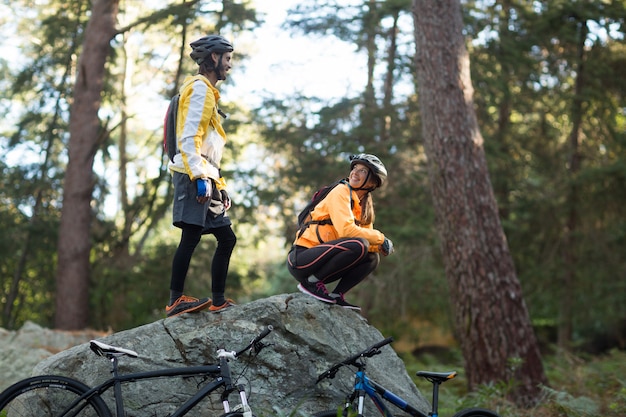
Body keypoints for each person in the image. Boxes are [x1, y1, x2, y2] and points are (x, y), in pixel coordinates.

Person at [165, 35, 237, 317]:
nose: (229, 66)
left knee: (227, 238)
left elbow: (209, 149)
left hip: (206, 175)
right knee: (191, 235)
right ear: (214, 58)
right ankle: (175, 300)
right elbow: (189, 137)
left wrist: (220, 185)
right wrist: (199, 177)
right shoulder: (199, 90)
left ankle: (218, 300)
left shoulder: (207, 92)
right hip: (192, 174)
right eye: (227, 59)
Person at [287, 153, 395, 311]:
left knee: (372, 257)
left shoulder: (363, 208)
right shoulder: (341, 191)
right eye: (355, 168)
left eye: (363, 171)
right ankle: (311, 283)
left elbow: (367, 242)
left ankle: (337, 295)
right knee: (359, 244)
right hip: (301, 258)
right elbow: (347, 231)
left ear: (372, 182)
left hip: (323, 263)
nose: (355, 173)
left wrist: (380, 246)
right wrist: (381, 238)